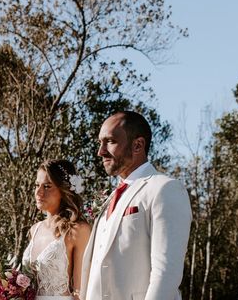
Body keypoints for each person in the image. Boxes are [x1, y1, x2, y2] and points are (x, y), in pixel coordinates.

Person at [79, 111, 192, 300]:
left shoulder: (164, 188)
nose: (101, 151)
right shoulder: (112, 196)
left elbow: (166, 273)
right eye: (100, 142)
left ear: (138, 145)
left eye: (110, 142)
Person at [22, 159, 91, 300]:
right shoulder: (34, 230)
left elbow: (81, 292)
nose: (39, 192)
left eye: (47, 186)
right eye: (37, 185)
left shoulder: (78, 230)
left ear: (64, 190)